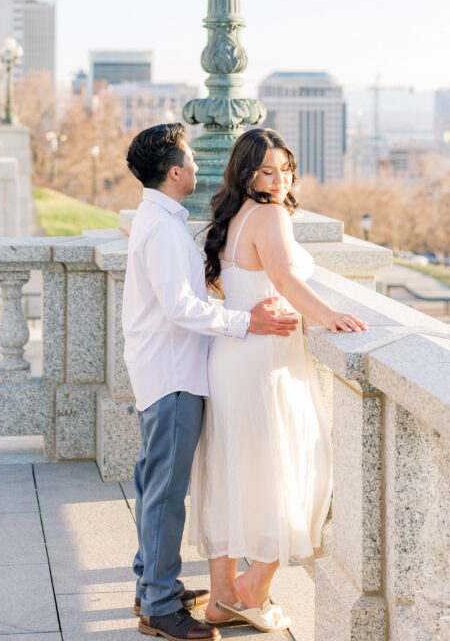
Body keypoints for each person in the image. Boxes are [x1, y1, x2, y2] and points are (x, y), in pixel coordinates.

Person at [122, 123, 299, 641]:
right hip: (173, 374)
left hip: (167, 368)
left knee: (155, 482)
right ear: (175, 172)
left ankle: (151, 585)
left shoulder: (159, 218)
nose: (199, 165)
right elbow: (181, 308)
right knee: (164, 491)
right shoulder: (162, 228)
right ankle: (158, 606)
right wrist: (247, 320)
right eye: (192, 158)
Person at [189, 128, 368, 632]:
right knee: (289, 466)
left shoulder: (234, 215)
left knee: (233, 468)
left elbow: (240, 283)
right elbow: (287, 280)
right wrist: (330, 315)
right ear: (246, 173)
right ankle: (253, 589)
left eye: (285, 167)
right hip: (264, 360)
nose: (280, 177)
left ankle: (225, 598)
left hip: (233, 354)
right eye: (267, 170)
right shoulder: (268, 214)